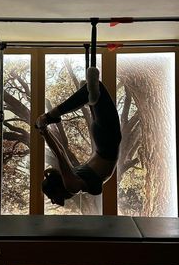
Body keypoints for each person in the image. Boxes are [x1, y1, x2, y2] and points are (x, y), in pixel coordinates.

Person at [36, 68, 121, 206]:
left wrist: (45, 131)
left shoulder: (71, 185)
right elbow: (60, 153)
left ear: (56, 190)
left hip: (107, 143)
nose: (54, 202)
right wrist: (44, 131)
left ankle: (57, 112)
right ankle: (85, 97)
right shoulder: (72, 185)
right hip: (103, 142)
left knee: (94, 91)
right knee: (93, 92)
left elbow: (60, 152)